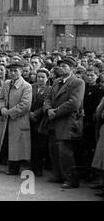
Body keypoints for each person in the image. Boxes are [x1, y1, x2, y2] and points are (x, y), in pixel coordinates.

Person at [43, 56, 85, 189]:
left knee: (65, 152)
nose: (62, 68)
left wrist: (55, 111)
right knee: (53, 149)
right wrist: (48, 109)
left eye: (65, 66)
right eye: (60, 66)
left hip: (67, 121)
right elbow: (47, 97)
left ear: (72, 69)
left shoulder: (78, 82)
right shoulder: (56, 81)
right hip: (54, 120)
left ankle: (71, 179)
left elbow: (74, 103)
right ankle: (58, 175)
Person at [0, 61, 32, 175]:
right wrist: (2, 108)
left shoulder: (26, 86)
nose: (12, 73)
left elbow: (25, 105)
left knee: (15, 144)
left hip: (17, 120)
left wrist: (9, 112)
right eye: (10, 71)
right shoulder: (6, 83)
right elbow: (0, 99)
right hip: (4, 119)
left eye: (15, 71)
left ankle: (13, 168)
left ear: (21, 72)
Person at [29, 68, 50, 176]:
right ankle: (31, 165)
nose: (40, 79)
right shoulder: (31, 87)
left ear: (47, 78)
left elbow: (46, 104)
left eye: (43, 77)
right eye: (38, 77)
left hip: (41, 119)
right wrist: (29, 113)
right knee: (31, 143)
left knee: (40, 144)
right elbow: (26, 100)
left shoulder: (49, 89)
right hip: (28, 118)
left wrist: (35, 114)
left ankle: (38, 168)